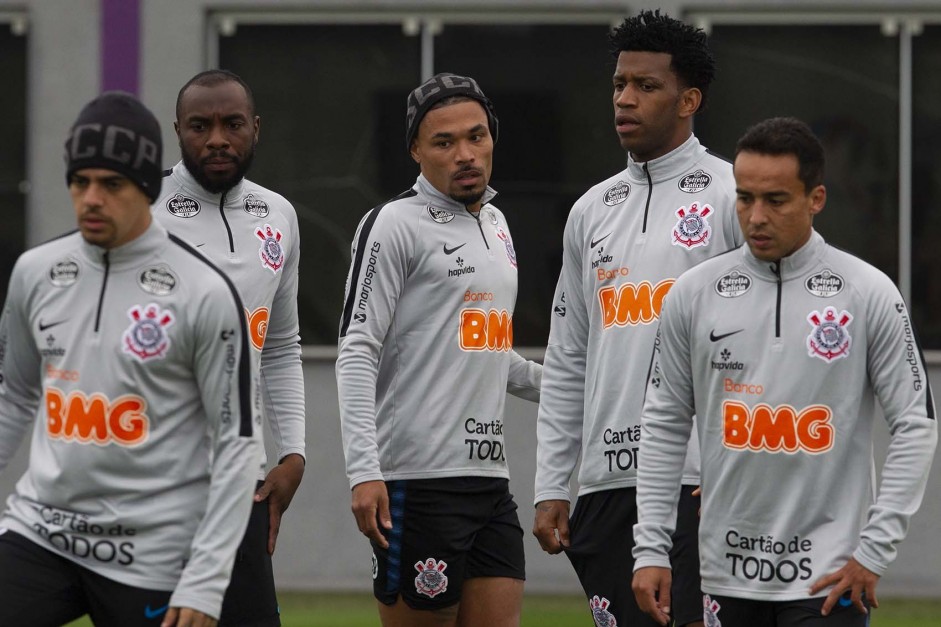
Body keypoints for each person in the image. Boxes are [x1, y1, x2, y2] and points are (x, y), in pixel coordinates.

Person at [632, 117, 938, 626]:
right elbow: (663, 423)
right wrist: (651, 550)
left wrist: (874, 550)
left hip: (827, 575)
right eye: (744, 198)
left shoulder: (868, 292)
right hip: (723, 573)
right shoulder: (693, 292)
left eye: (775, 200)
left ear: (815, 198)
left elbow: (916, 425)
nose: (755, 216)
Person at [0, 92, 261, 626]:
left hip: (152, 554)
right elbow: (13, 396)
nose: (91, 199)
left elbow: (238, 446)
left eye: (111, 184)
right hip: (42, 532)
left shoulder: (205, 292)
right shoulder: (35, 272)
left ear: (145, 188)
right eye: (80, 181)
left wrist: (207, 581)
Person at [533, 10, 741, 627]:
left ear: (689, 99)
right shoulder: (590, 211)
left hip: (699, 479)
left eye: (646, 86)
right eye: (620, 84)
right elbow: (569, 358)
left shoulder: (734, 196)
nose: (624, 98)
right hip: (605, 487)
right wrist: (553, 484)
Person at [336, 73, 542, 627]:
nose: (466, 154)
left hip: (490, 481)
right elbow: (357, 350)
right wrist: (363, 472)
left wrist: (586, 387)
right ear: (415, 151)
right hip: (416, 482)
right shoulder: (393, 225)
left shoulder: (497, 224)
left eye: (477, 137)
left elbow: (490, 354)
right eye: (444, 142)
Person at [153, 69, 306, 627]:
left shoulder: (279, 217)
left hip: (240, 482)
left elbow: (282, 345)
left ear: (255, 129)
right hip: (152, 484)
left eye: (231, 123)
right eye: (200, 125)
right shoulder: (140, 210)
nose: (216, 138)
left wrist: (293, 454)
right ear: (178, 130)